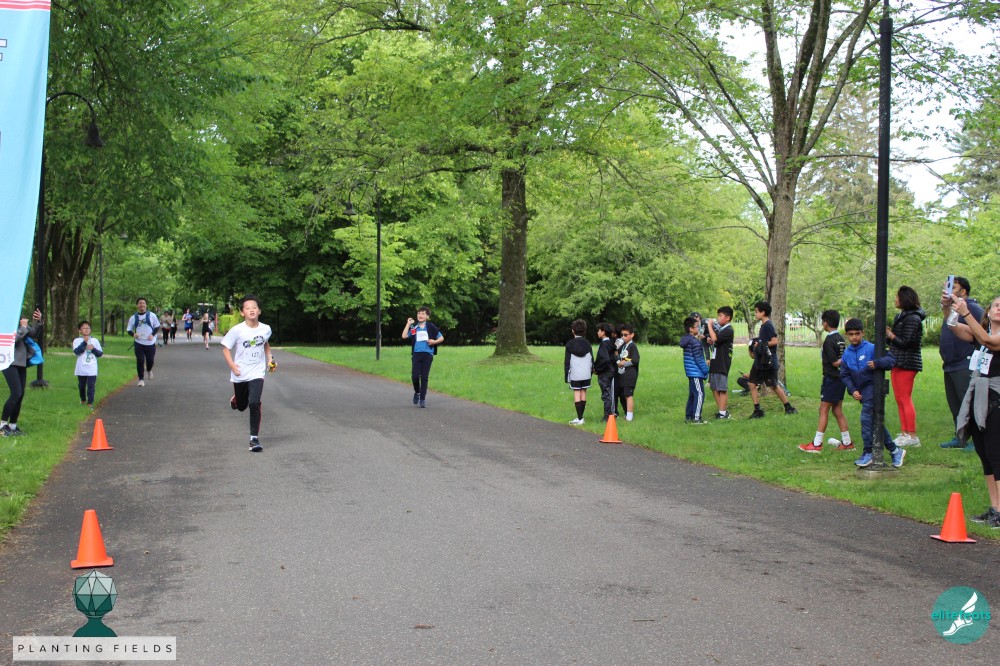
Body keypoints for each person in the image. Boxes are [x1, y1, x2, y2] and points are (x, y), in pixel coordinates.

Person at [948, 294, 1000, 527]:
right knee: (985, 455)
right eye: (996, 305)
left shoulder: (988, 337)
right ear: (988, 311)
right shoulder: (980, 333)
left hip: (996, 400)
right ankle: (995, 508)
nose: (999, 308)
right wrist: (948, 308)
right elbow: (954, 327)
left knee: (997, 454)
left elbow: (988, 341)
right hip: (979, 399)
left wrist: (966, 312)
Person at [839, 318, 905, 468]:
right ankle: (895, 450)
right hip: (861, 392)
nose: (854, 337)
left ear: (862, 333)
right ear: (847, 335)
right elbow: (844, 375)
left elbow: (891, 361)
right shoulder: (847, 354)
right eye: (851, 334)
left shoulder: (872, 348)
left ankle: (868, 451)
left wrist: (877, 363)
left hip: (874, 389)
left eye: (857, 334)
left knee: (865, 419)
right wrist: (853, 390)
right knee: (875, 422)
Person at [221, 294, 275, 452]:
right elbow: (225, 349)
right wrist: (232, 366)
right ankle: (237, 399)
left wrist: (270, 359)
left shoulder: (266, 329)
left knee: (254, 402)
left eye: (254, 308)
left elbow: (265, 344)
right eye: (248, 308)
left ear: (259, 311)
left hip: (257, 372)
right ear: (242, 312)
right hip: (240, 372)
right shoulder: (237, 330)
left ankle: (254, 439)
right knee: (242, 406)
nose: (251, 310)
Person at [798, 310, 854, 452]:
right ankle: (847, 442)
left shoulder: (829, 340)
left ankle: (816, 444)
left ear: (825, 323)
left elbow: (835, 362)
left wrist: (845, 360)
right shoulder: (841, 338)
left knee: (823, 409)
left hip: (831, 378)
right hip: (841, 378)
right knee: (837, 410)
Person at [939, 276, 984, 450]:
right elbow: (951, 324)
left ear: (963, 291)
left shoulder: (972, 308)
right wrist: (945, 305)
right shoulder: (952, 308)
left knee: (969, 402)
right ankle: (961, 437)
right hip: (950, 364)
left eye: (953, 287)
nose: (948, 290)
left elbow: (982, 332)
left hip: (965, 363)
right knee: (955, 403)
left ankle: (976, 439)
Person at [887, 286, 926, 446]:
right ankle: (904, 432)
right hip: (897, 360)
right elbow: (897, 341)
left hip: (908, 363)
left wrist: (891, 335)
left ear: (905, 299)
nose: (895, 299)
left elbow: (907, 342)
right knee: (899, 398)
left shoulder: (913, 319)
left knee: (905, 398)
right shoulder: (901, 316)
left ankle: (912, 435)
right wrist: (889, 336)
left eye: (897, 297)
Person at [747, 301, 797, 419]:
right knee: (751, 383)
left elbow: (774, 341)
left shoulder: (768, 325)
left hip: (767, 362)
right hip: (759, 361)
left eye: (757, 312)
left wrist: (762, 344)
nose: (755, 314)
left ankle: (789, 407)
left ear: (763, 313)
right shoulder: (763, 326)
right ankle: (757, 410)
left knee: (773, 385)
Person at [1, 308, 43, 436]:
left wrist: (38, 321)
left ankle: (13, 426)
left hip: (20, 363)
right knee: (16, 393)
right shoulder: (4, 324)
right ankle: (2, 425)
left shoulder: (18, 322)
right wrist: (23, 328)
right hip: (8, 362)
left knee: (20, 394)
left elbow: (33, 334)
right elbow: (12, 340)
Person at [402, 306, 444, 408]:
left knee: (424, 377)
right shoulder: (414, 328)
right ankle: (417, 392)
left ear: (427, 316)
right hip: (416, 354)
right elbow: (404, 336)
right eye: (419, 313)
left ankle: (422, 399)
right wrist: (408, 324)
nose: (420, 315)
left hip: (427, 355)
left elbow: (441, 338)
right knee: (415, 376)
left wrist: (434, 341)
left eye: (423, 313)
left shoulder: (431, 327)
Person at [706, 306, 735, 419]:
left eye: (720, 316)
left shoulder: (729, 330)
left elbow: (715, 338)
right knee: (714, 387)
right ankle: (722, 411)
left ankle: (722, 413)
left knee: (721, 388)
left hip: (722, 363)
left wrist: (709, 325)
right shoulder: (722, 330)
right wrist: (711, 341)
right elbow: (715, 340)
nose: (718, 318)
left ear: (728, 318)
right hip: (715, 361)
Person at [681, 316, 710, 424]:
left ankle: (689, 417)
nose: (699, 329)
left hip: (690, 372)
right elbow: (699, 359)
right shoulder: (695, 342)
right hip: (696, 372)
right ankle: (696, 418)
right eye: (697, 327)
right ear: (691, 329)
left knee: (693, 395)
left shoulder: (687, 340)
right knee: (700, 394)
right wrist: (706, 370)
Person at [564, 319, 593, 425]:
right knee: (583, 392)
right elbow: (591, 359)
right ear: (585, 331)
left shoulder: (569, 344)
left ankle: (580, 418)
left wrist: (566, 375)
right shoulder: (588, 344)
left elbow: (567, 361)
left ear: (573, 331)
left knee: (577, 393)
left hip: (575, 373)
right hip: (586, 373)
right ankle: (581, 418)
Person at [126, 298, 160, 387]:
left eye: (143, 303)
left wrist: (152, 335)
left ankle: (149, 370)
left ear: (146, 305)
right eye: (140, 303)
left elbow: (157, 326)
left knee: (150, 360)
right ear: (137, 305)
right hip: (139, 343)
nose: (142, 305)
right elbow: (129, 330)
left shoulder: (152, 315)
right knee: (140, 360)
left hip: (150, 343)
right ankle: (141, 379)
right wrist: (133, 334)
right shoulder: (133, 318)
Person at [72, 320, 103, 409]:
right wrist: (84, 343)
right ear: (80, 330)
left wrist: (93, 349)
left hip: (92, 367)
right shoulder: (77, 340)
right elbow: (77, 352)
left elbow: (100, 354)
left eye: (88, 328)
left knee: (91, 385)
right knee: (81, 385)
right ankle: (83, 399)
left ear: (90, 330)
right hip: (81, 367)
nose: (86, 330)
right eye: (84, 328)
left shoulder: (95, 340)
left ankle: (90, 402)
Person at [593, 323, 618, 422]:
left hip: (605, 373)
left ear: (603, 332)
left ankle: (607, 416)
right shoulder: (612, 344)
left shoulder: (604, 344)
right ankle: (611, 413)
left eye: (599, 330)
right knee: (609, 393)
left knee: (606, 395)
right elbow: (615, 358)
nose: (597, 332)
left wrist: (597, 369)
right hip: (611, 371)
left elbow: (605, 359)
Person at [616, 324, 640, 421]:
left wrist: (624, 363)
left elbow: (635, 360)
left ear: (632, 335)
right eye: (622, 335)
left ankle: (630, 417)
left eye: (626, 335)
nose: (623, 337)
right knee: (622, 395)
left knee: (628, 395)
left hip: (630, 375)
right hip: (622, 374)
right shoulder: (623, 346)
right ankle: (627, 413)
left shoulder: (632, 346)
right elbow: (617, 353)